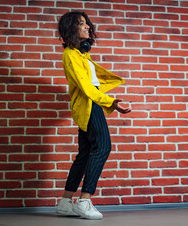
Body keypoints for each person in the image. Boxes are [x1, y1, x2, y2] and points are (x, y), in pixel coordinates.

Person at [55, 11, 131, 220]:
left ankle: (65, 201)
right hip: (90, 106)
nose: (87, 27)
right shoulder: (71, 55)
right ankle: (85, 200)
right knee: (103, 147)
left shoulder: (82, 54)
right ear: (71, 29)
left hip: (89, 105)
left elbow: (93, 84)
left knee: (85, 154)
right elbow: (88, 88)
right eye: (81, 24)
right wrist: (111, 103)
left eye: (87, 23)